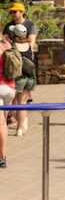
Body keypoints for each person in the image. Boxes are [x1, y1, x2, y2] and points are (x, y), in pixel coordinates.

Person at [10, 24, 35, 136]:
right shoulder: (29, 45)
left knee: (12, 104)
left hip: (18, 78)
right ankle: (20, 129)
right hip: (29, 77)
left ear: (14, 34)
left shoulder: (13, 46)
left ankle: (21, 122)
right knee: (22, 103)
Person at [0, 34, 15, 167]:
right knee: (3, 123)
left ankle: (2, 157)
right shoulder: (6, 44)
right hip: (10, 87)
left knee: (1, 124)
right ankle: (2, 156)